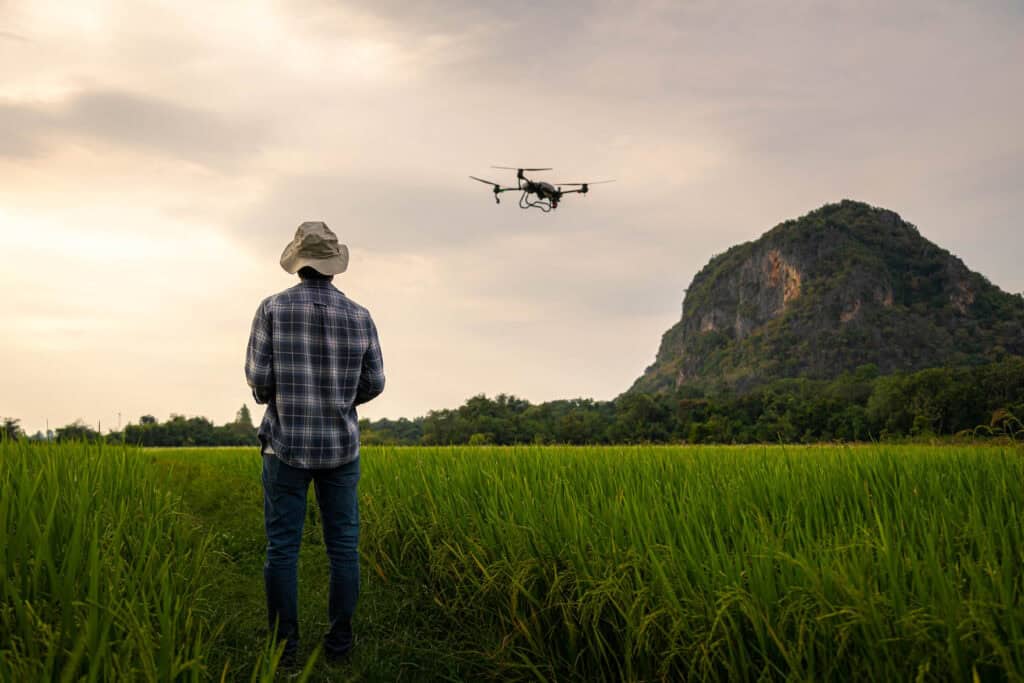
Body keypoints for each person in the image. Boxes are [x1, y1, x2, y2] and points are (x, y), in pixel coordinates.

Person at [245, 221, 385, 666]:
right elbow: (375, 382)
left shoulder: (271, 308)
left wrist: (279, 396)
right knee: (343, 547)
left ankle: (286, 652)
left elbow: (259, 378)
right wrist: (342, 399)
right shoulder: (360, 315)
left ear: (298, 263)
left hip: (285, 445)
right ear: (333, 267)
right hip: (342, 448)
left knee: (282, 547)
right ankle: (339, 647)